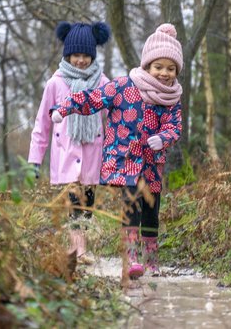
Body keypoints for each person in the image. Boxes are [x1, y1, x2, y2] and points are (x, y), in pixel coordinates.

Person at [50, 23, 184, 279]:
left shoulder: (172, 98)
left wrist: (164, 138)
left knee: (151, 214)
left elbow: (175, 126)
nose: (164, 73)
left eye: (170, 68)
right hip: (127, 161)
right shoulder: (124, 86)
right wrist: (63, 109)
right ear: (147, 66)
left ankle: (152, 260)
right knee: (131, 208)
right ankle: (132, 258)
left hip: (153, 165)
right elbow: (93, 99)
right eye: (158, 67)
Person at [28, 21, 111, 265]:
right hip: (65, 154)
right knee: (74, 204)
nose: (81, 60)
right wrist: (35, 159)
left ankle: (79, 247)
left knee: (88, 205)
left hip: (92, 154)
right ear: (67, 54)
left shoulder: (102, 83)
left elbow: (113, 118)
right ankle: (78, 250)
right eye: (76, 55)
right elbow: (42, 123)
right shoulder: (56, 83)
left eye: (86, 55)